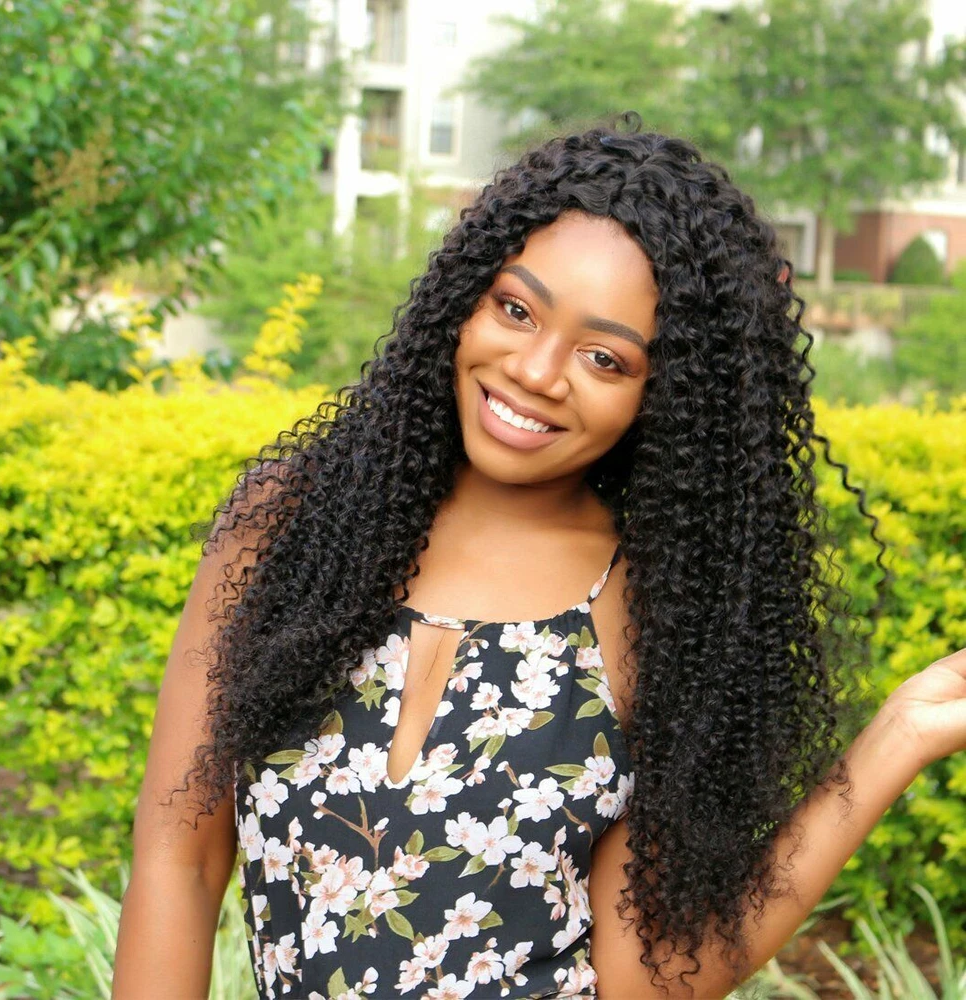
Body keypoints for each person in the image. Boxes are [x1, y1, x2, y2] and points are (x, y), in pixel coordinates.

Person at [111, 112, 966, 1000]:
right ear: (464, 295)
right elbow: (179, 861)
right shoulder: (291, 521)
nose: (535, 371)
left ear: (665, 396)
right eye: (515, 310)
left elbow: (645, 978)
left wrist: (899, 738)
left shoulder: (645, 606)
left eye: (604, 358)